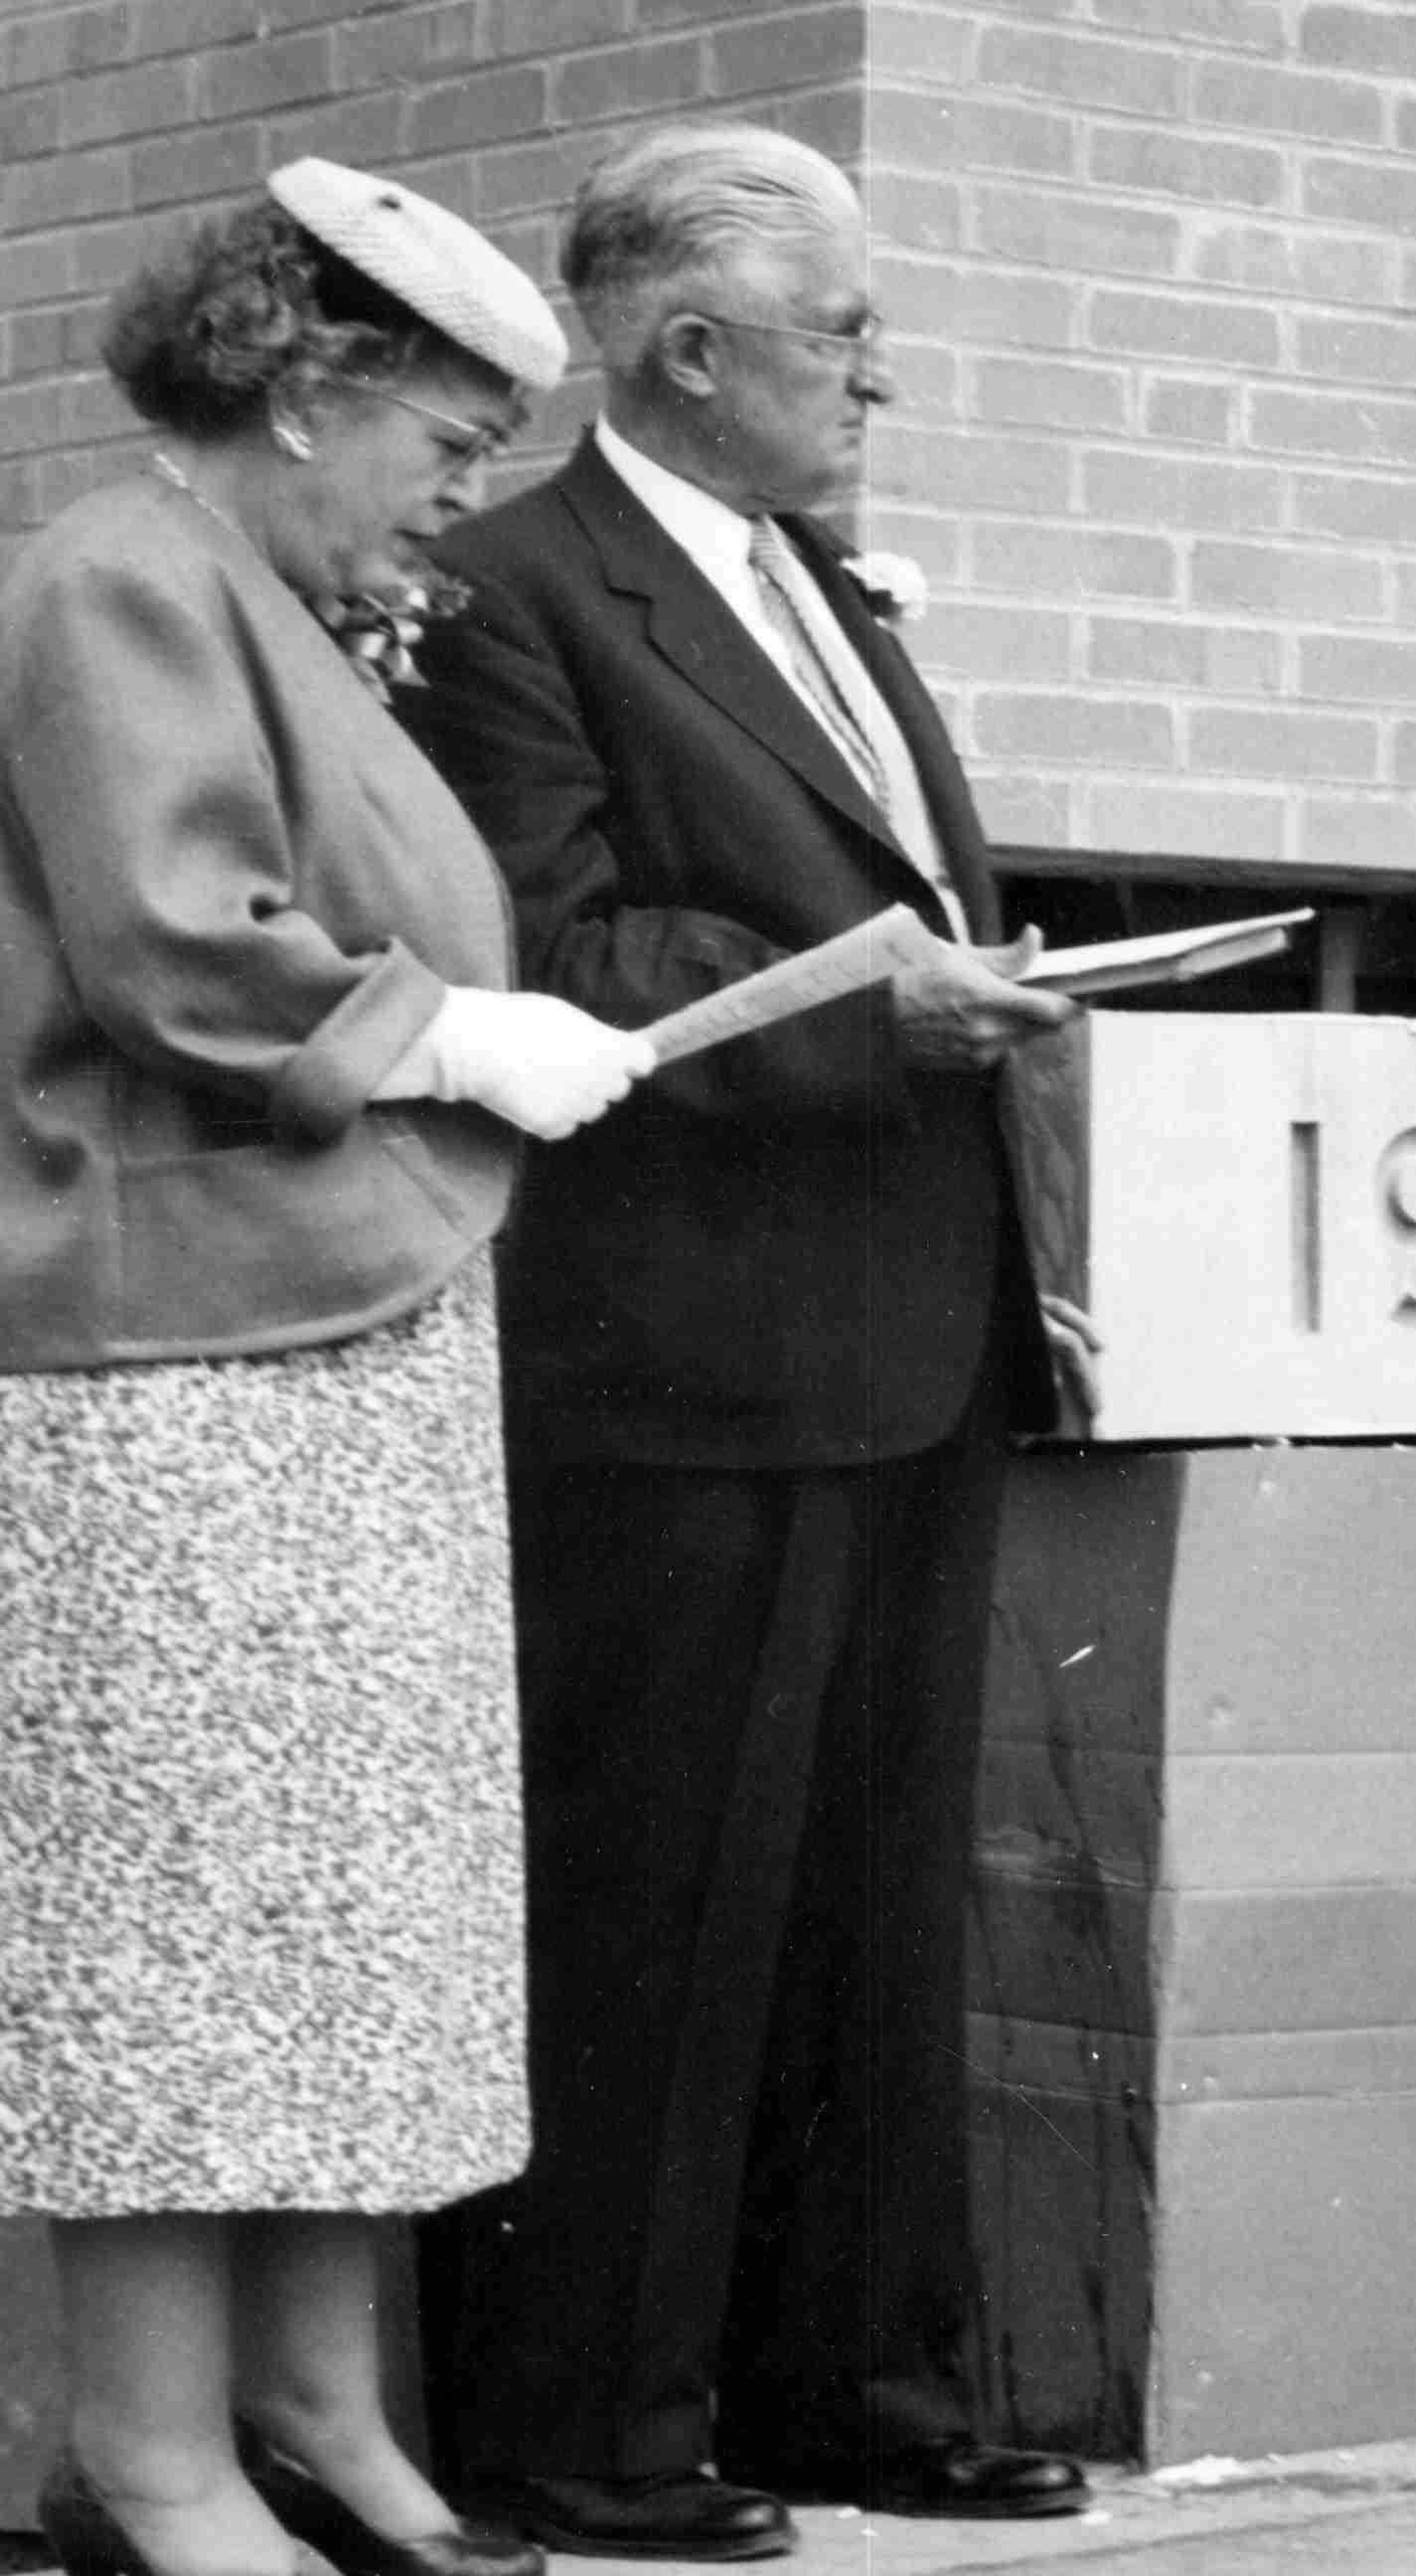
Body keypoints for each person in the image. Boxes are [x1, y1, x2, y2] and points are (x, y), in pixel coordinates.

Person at [391, 124, 1093, 2561]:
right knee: (660, 1907)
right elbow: (547, 959)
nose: (880, 379)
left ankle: (857, 2391)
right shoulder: (507, 597)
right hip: (684, 1362)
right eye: (845, 339)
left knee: (871, 1902)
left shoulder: (822, 592)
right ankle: (585, 2426)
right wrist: (872, 1017)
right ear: (690, 354)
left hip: (905, 1324)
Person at [0, 162, 657, 2576]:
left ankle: (312, 2416)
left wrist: (451, 1030)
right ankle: (155, 2469)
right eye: (445, 440)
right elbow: (178, 936)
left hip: (312, 1321)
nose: (461, 496)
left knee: (331, 1916)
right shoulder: (120, 577)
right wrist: (450, 1026)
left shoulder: (243, 590)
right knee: (190, 1933)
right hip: (169, 1341)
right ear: (308, 387)